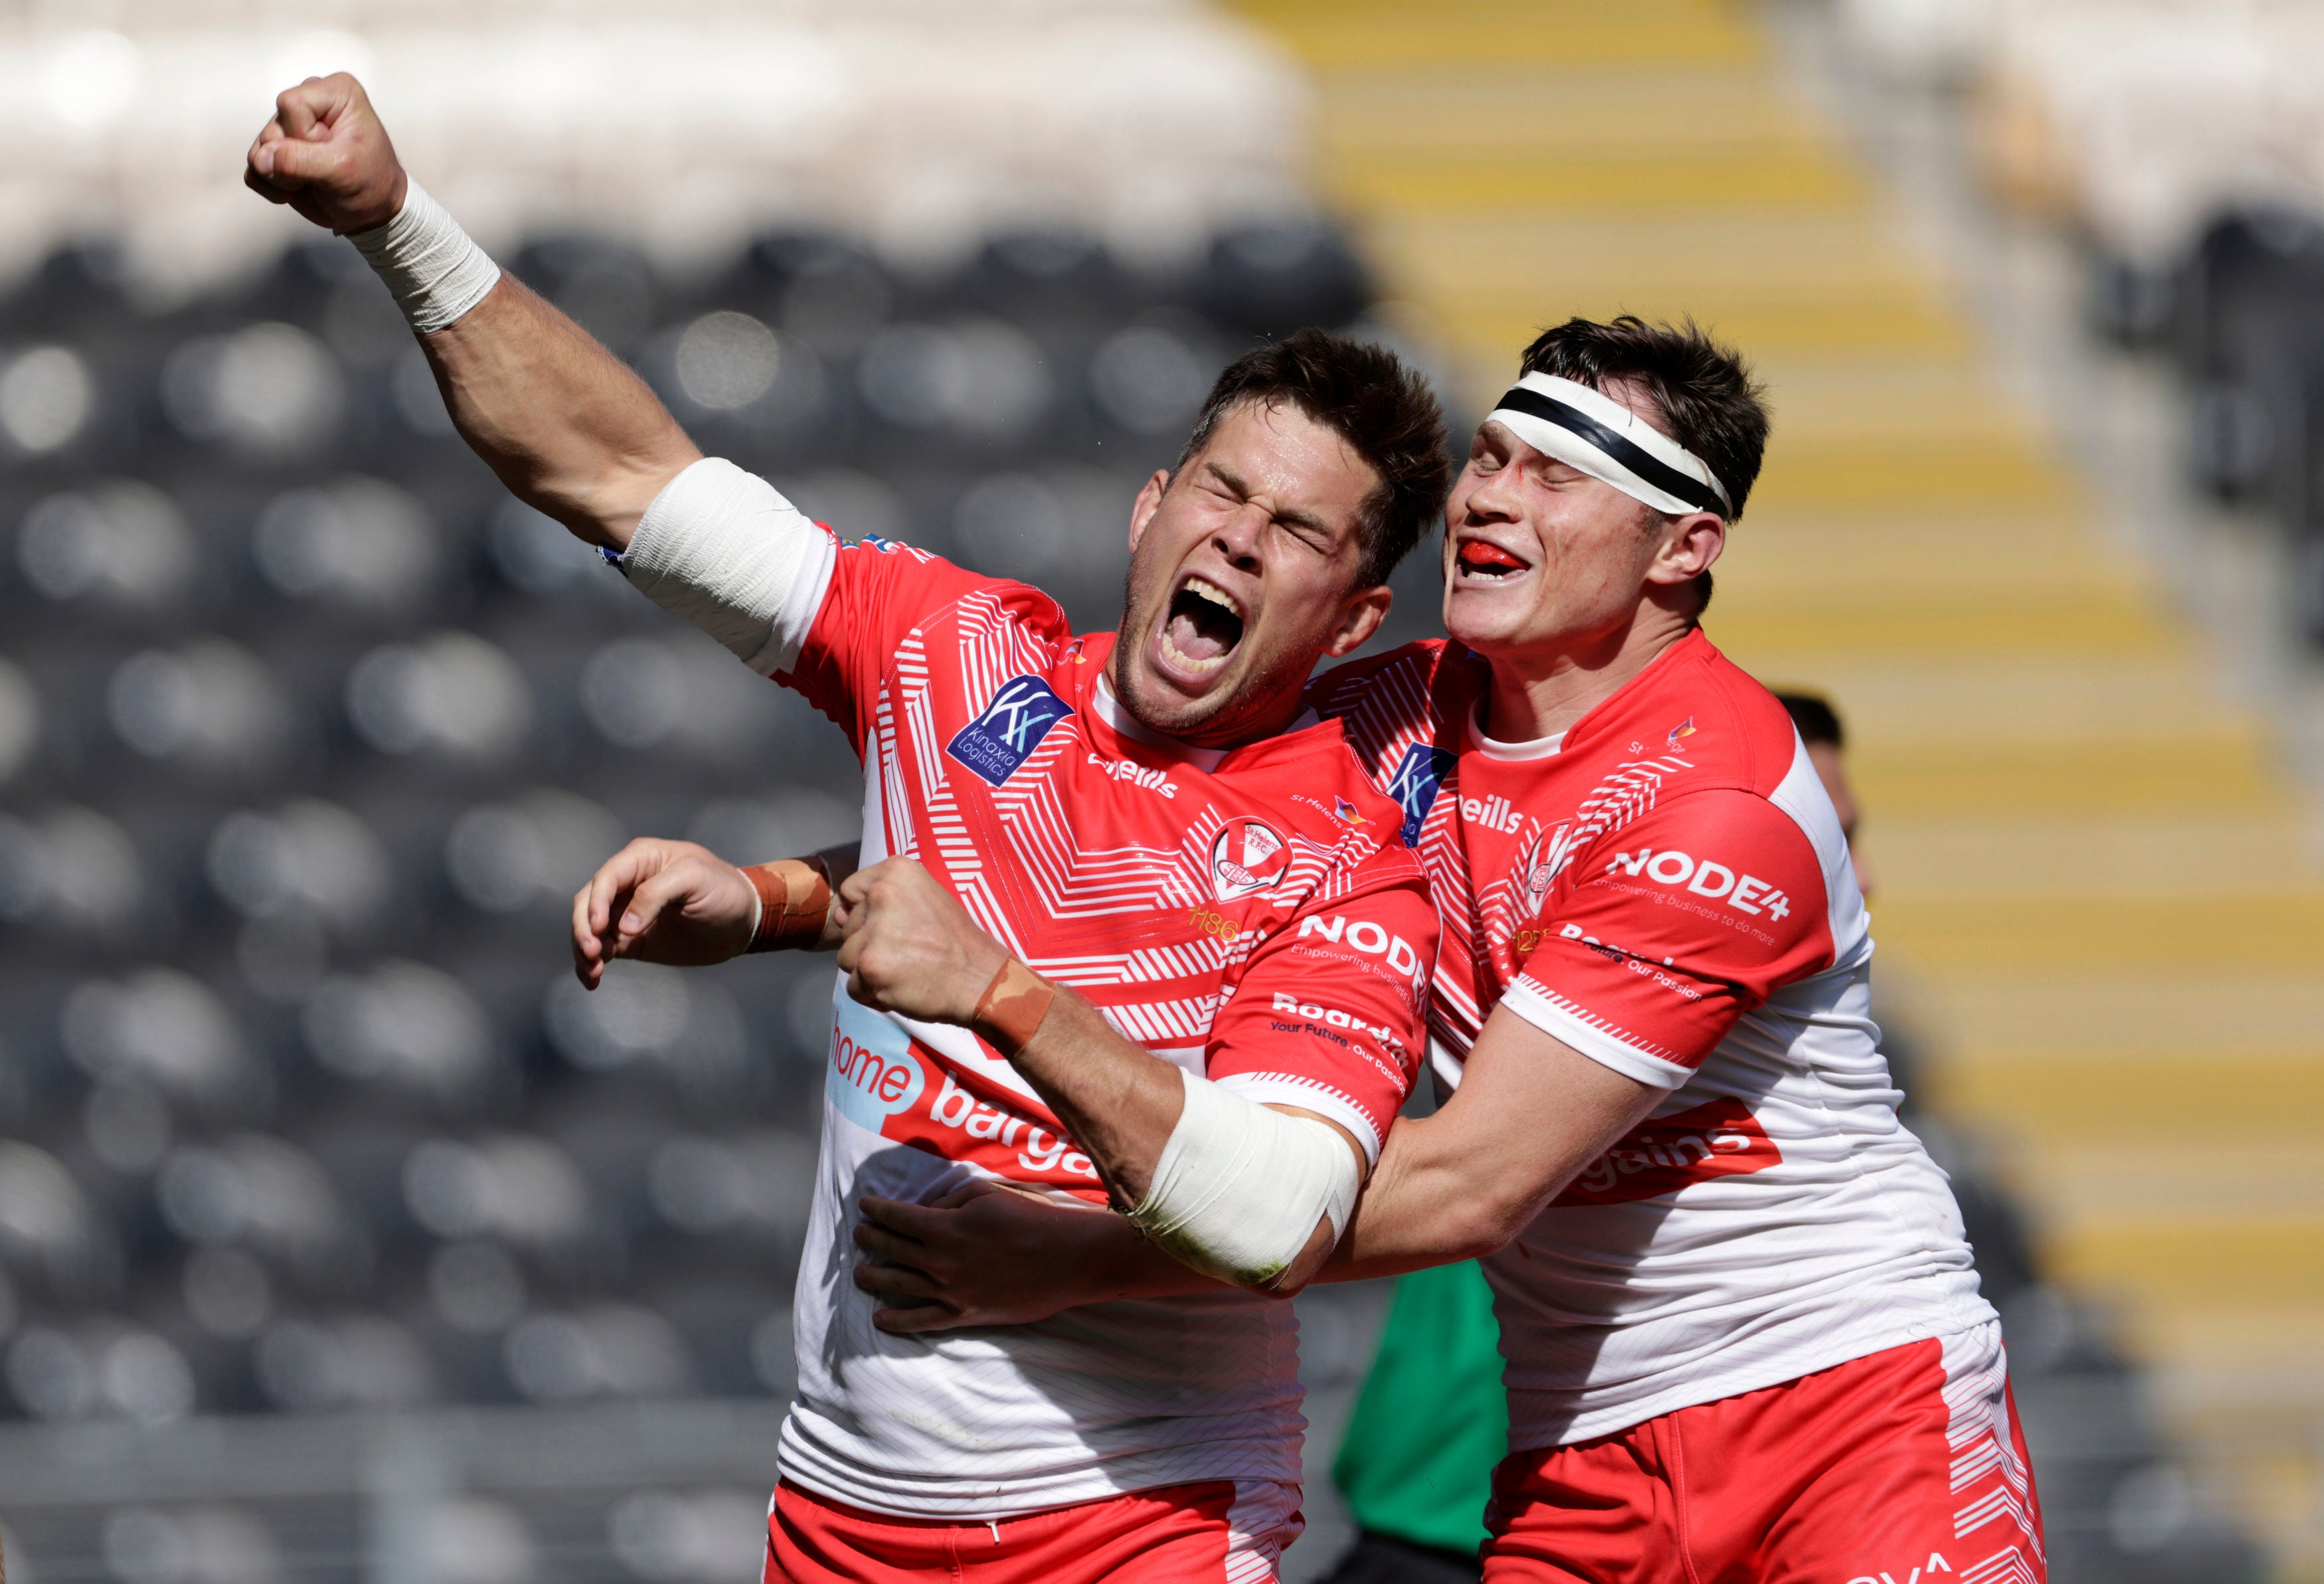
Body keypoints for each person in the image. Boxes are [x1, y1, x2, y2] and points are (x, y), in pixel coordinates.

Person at [244, 72, 1453, 1584]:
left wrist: (1003, 991)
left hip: (1132, 1522)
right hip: (838, 1519)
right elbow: (618, 474)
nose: (1240, 537)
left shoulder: (1352, 852)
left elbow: (1277, 1214)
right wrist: (393, 222)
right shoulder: (955, 654)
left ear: (1351, 614)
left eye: (1297, 532)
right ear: (1153, 507)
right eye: (1224, 488)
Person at [847, 317, 2044, 1583]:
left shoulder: (1719, 809)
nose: (1492, 497)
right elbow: (1082, 799)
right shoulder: (1399, 708)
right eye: (1494, 453)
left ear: (1684, 548)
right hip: (1578, 1443)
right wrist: (785, 896)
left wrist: (1080, 1261)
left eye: (1559, 474)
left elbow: (1469, 1186)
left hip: (1843, 1404)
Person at [1318, 688, 1880, 1584]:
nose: (1853, 877)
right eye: (1825, 840)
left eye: (1846, 842)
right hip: (1453, 1524)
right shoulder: (1566, 959)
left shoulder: (1807, 1096)